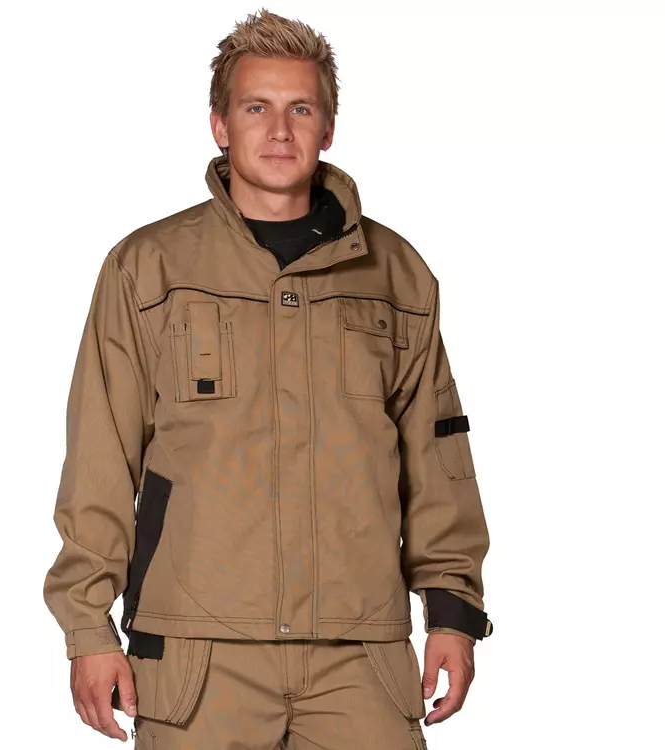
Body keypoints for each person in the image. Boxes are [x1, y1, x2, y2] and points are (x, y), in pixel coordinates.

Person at [43, 9, 493, 749]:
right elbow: (100, 456)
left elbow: (437, 457)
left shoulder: (396, 274)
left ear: (328, 127)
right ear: (219, 125)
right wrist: (87, 627)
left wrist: (451, 611)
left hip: (361, 654)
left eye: (300, 109)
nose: (280, 130)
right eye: (257, 108)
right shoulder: (148, 269)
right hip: (197, 655)